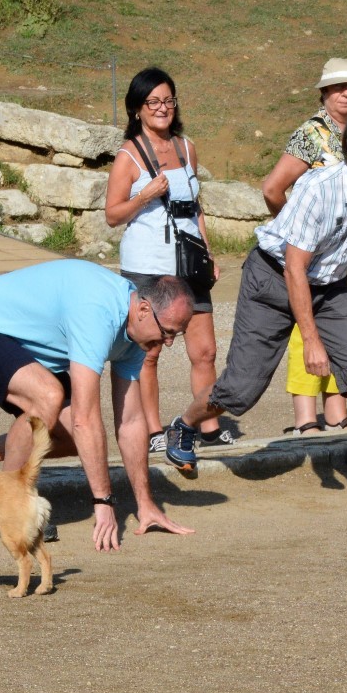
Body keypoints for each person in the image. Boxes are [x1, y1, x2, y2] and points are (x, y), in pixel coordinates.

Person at [167, 108, 347, 514]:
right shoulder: (320, 189)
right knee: (240, 390)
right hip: (273, 279)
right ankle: (184, 423)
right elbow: (295, 267)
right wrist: (312, 342)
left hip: (331, 286)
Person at [0, 261, 197, 551]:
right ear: (144, 310)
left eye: (176, 335)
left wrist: (145, 504)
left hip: (17, 341)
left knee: (72, 440)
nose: (168, 343)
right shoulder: (99, 313)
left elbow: (132, 421)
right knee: (48, 396)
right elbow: (86, 418)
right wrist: (103, 501)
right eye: (168, 331)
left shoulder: (139, 334)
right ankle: (5, 507)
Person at [103, 67, 224, 455]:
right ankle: (155, 430)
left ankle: (207, 425)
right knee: (149, 351)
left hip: (189, 263)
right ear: (137, 109)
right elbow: (112, 214)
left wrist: (208, 252)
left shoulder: (186, 148)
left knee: (205, 350)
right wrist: (145, 196)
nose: (162, 108)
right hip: (148, 262)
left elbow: (195, 207)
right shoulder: (129, 156)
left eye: (168, 100)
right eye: (153, 102)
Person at [262, 59, 347, 434]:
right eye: (338, 87)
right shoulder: (311, 132)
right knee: (303, 328)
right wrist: (298, 230)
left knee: (342, 325)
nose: (346, 93)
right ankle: (305, 417)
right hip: (313, 253)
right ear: (323, 93)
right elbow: (273, 188)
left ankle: (336, 411)